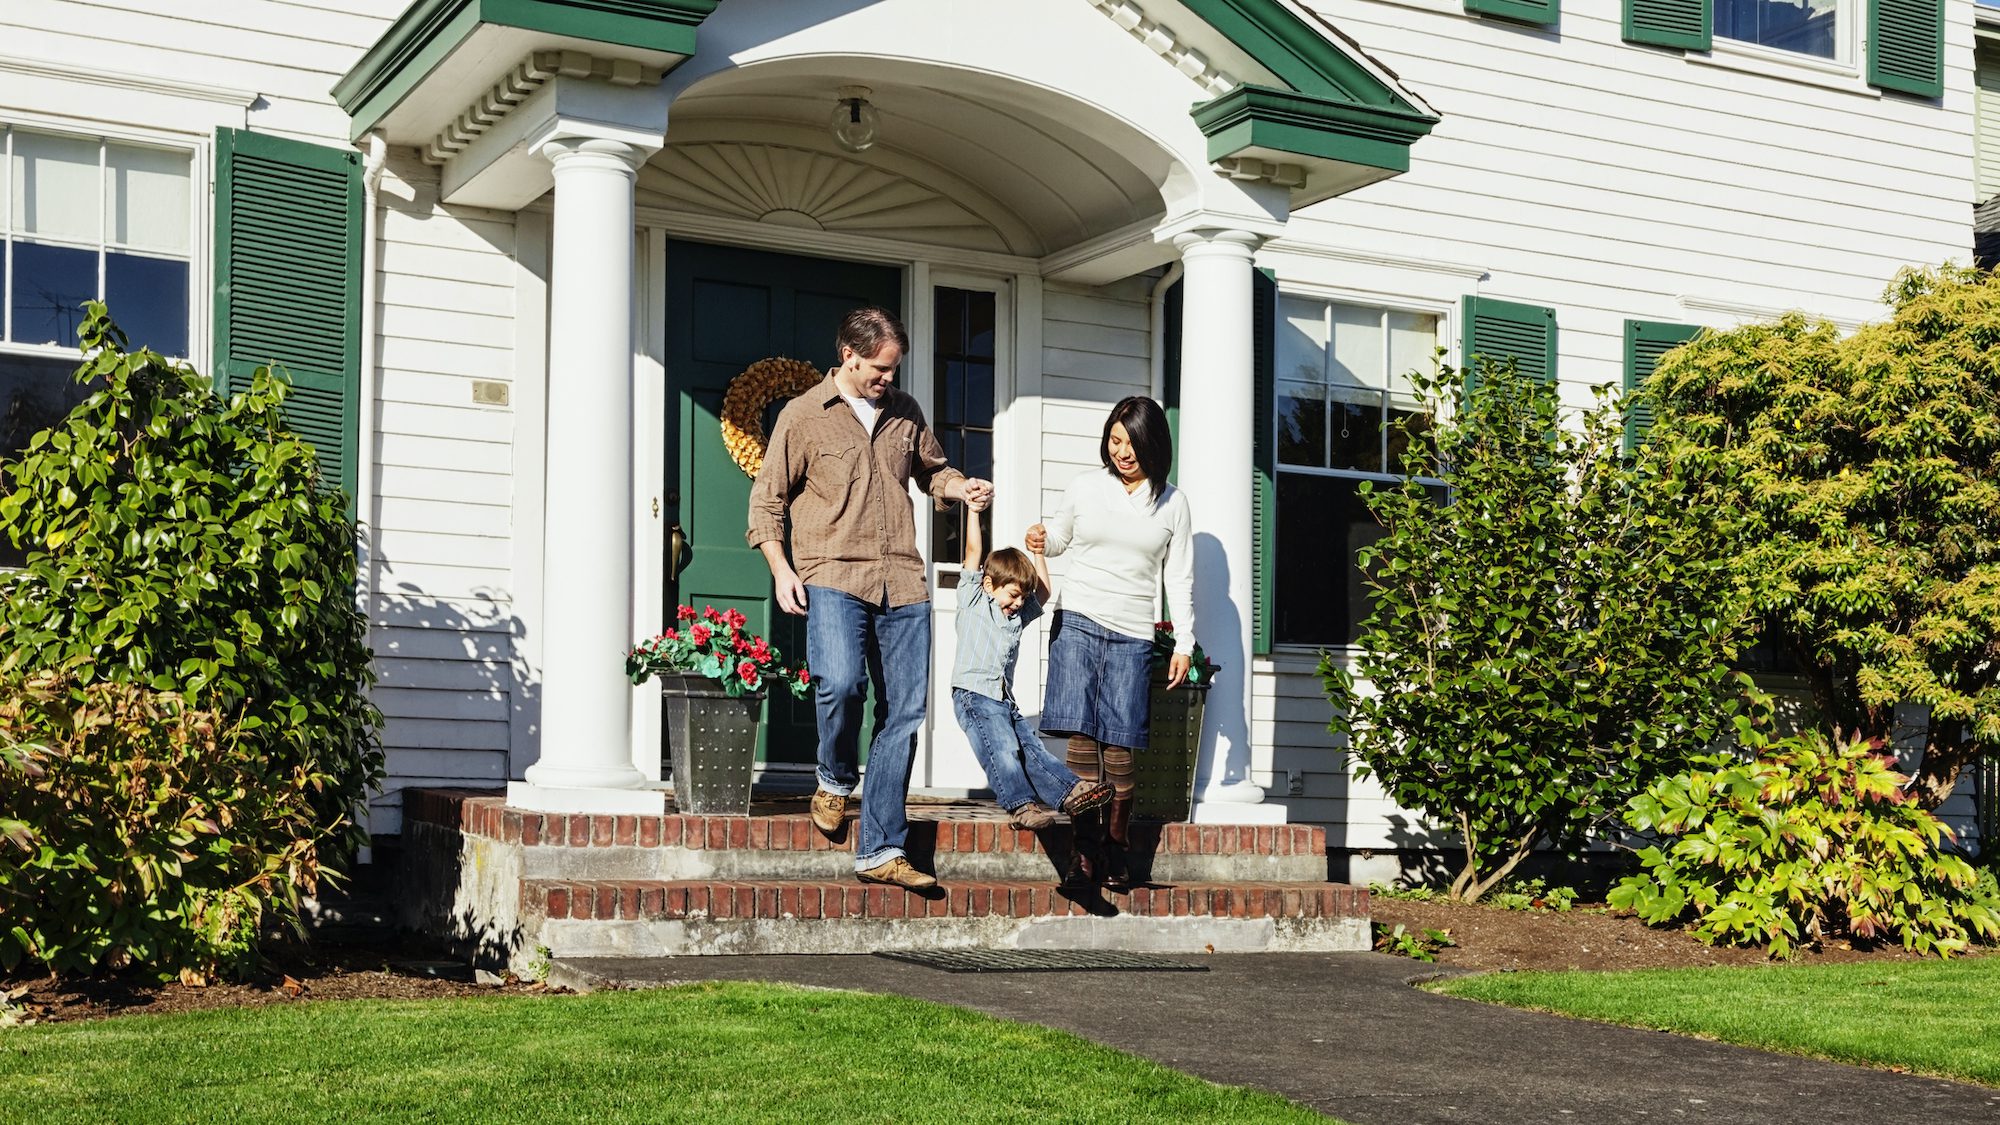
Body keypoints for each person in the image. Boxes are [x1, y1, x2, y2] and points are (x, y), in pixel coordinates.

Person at [747, 306, 993, 889]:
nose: (889, 378)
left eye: (894, 369)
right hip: (831, 572)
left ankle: (881, 849)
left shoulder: (905, 413)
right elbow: (767, 501)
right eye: (880, 368)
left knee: (903, 713)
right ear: (848, 357)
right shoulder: (802, 416)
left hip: (903, 580)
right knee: (840, 683)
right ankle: (834, 778)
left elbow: (933, 471)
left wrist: (961, 487)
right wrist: (781, 568)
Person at [1027, 396, 1193, 887]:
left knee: (1119, 746)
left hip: (1132, 631)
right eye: (1115, 440)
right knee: (1081, 738)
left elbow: (1178, 578)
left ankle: (1115, 847)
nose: (1122, 452)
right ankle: (1083, 853)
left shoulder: (1172, 503)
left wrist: (1184, 641)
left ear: (1153, 445)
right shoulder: (1085, 487)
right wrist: (1043, 540)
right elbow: (1061, 538)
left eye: (1132, 443)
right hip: (1078, 617)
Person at [949, 492, 1114, 834]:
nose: (1016, 603)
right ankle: (1020, 805)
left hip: (1003, 699)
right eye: (1012, 595)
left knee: (1031, 749)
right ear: (989, 584)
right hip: (973, 694)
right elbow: (972, 553)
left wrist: (1039, 554)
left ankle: (1069, 792)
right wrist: (973, 512)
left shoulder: (1015, 617)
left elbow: (1043, 593)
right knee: (1003, 749)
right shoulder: (974, 600)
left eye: (1020, 598)